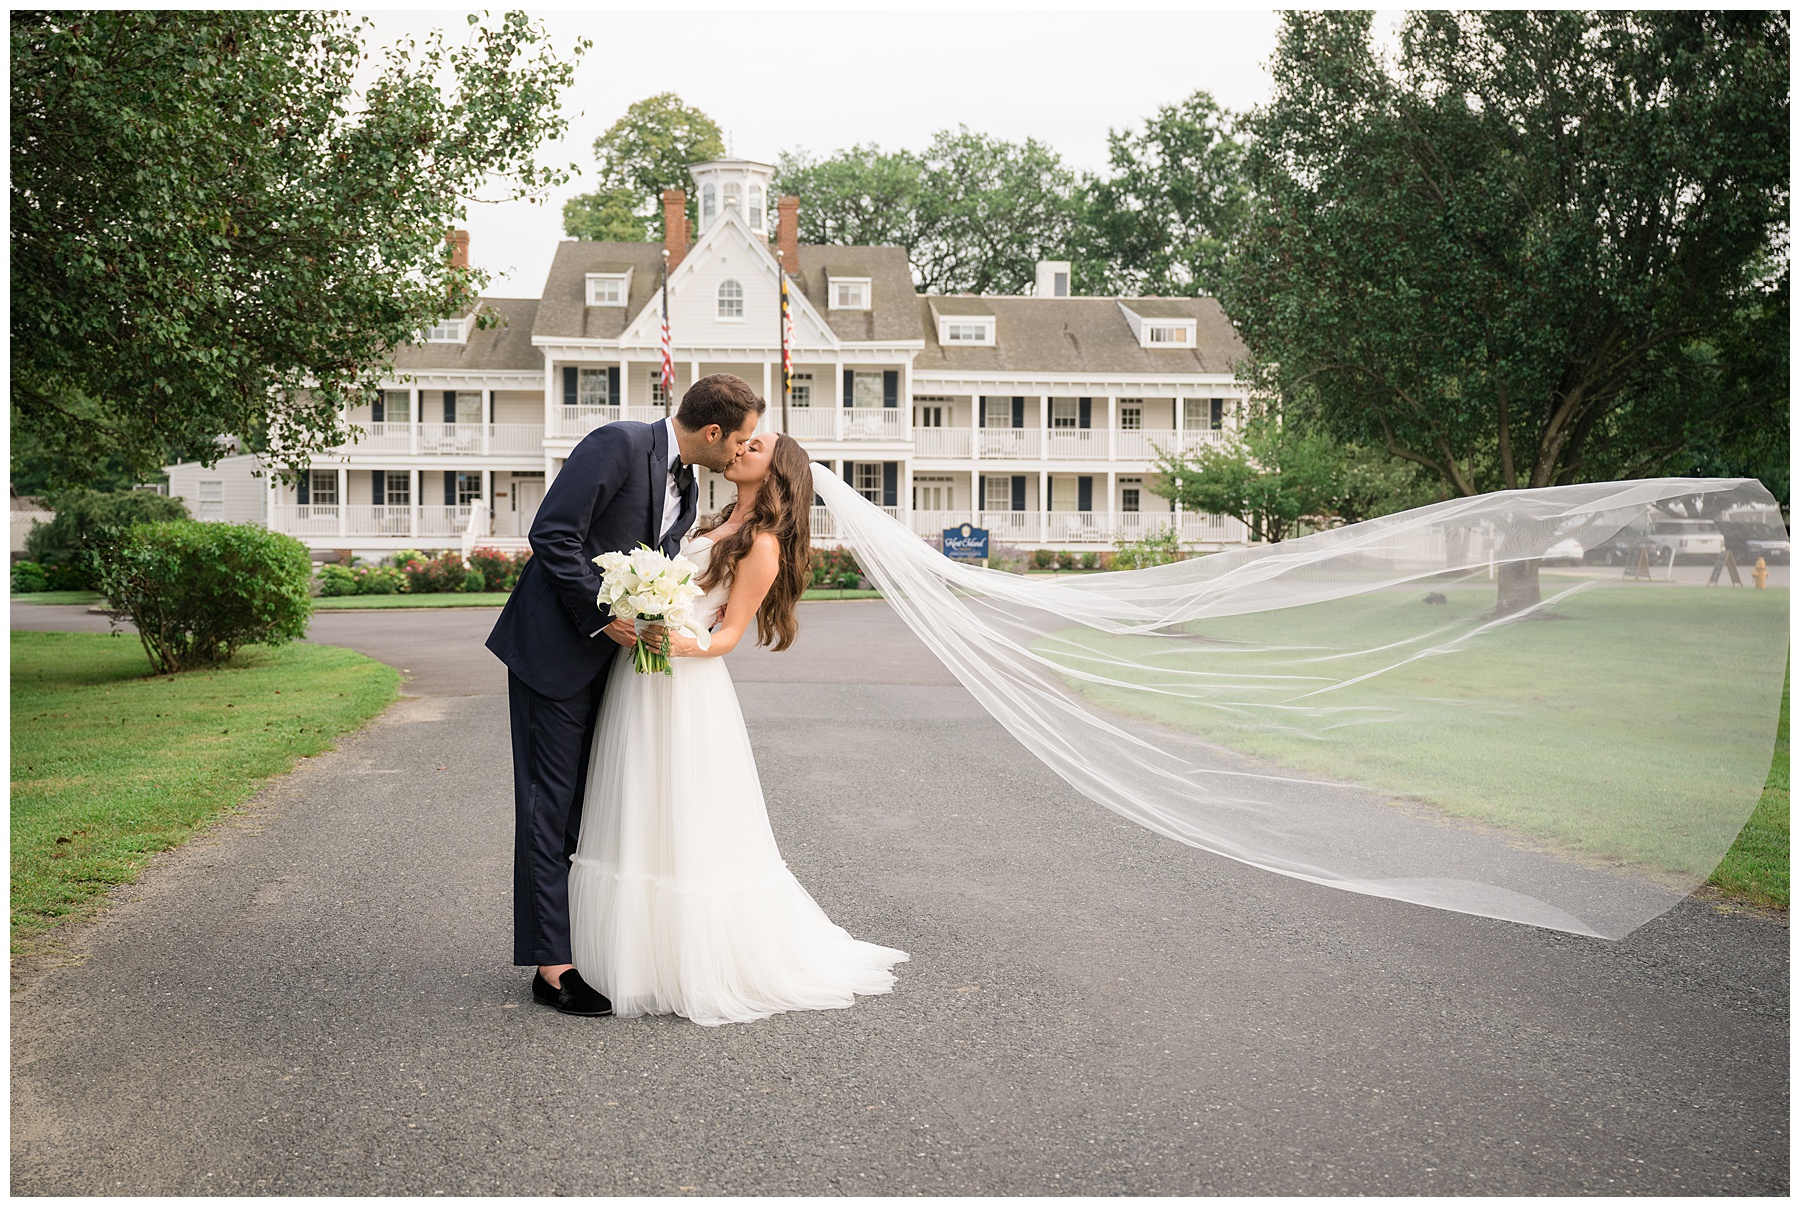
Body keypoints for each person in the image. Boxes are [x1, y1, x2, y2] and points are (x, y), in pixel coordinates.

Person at [567, 431, 908, 1026]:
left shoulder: (764, 546)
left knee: (684, 812)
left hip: (686, 684)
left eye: (757, 447)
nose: (743, 449)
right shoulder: (711, 516)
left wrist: (680, 640)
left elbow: (727, 636)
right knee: (636, 803)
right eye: (744, 441)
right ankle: (634, 957)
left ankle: (692, 960)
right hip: (639, 676)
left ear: (777, 472)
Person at [485, 373, 763, 1017]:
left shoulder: (689, 487)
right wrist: (602, 612)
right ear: (714, 431)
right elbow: (552, 533)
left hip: (614, 667)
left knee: (590, 806)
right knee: (548, 806)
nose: (741, 452)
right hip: (554, 651)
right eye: (741, 439)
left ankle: (585, 941)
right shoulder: (617, 444)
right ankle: (552, 968)